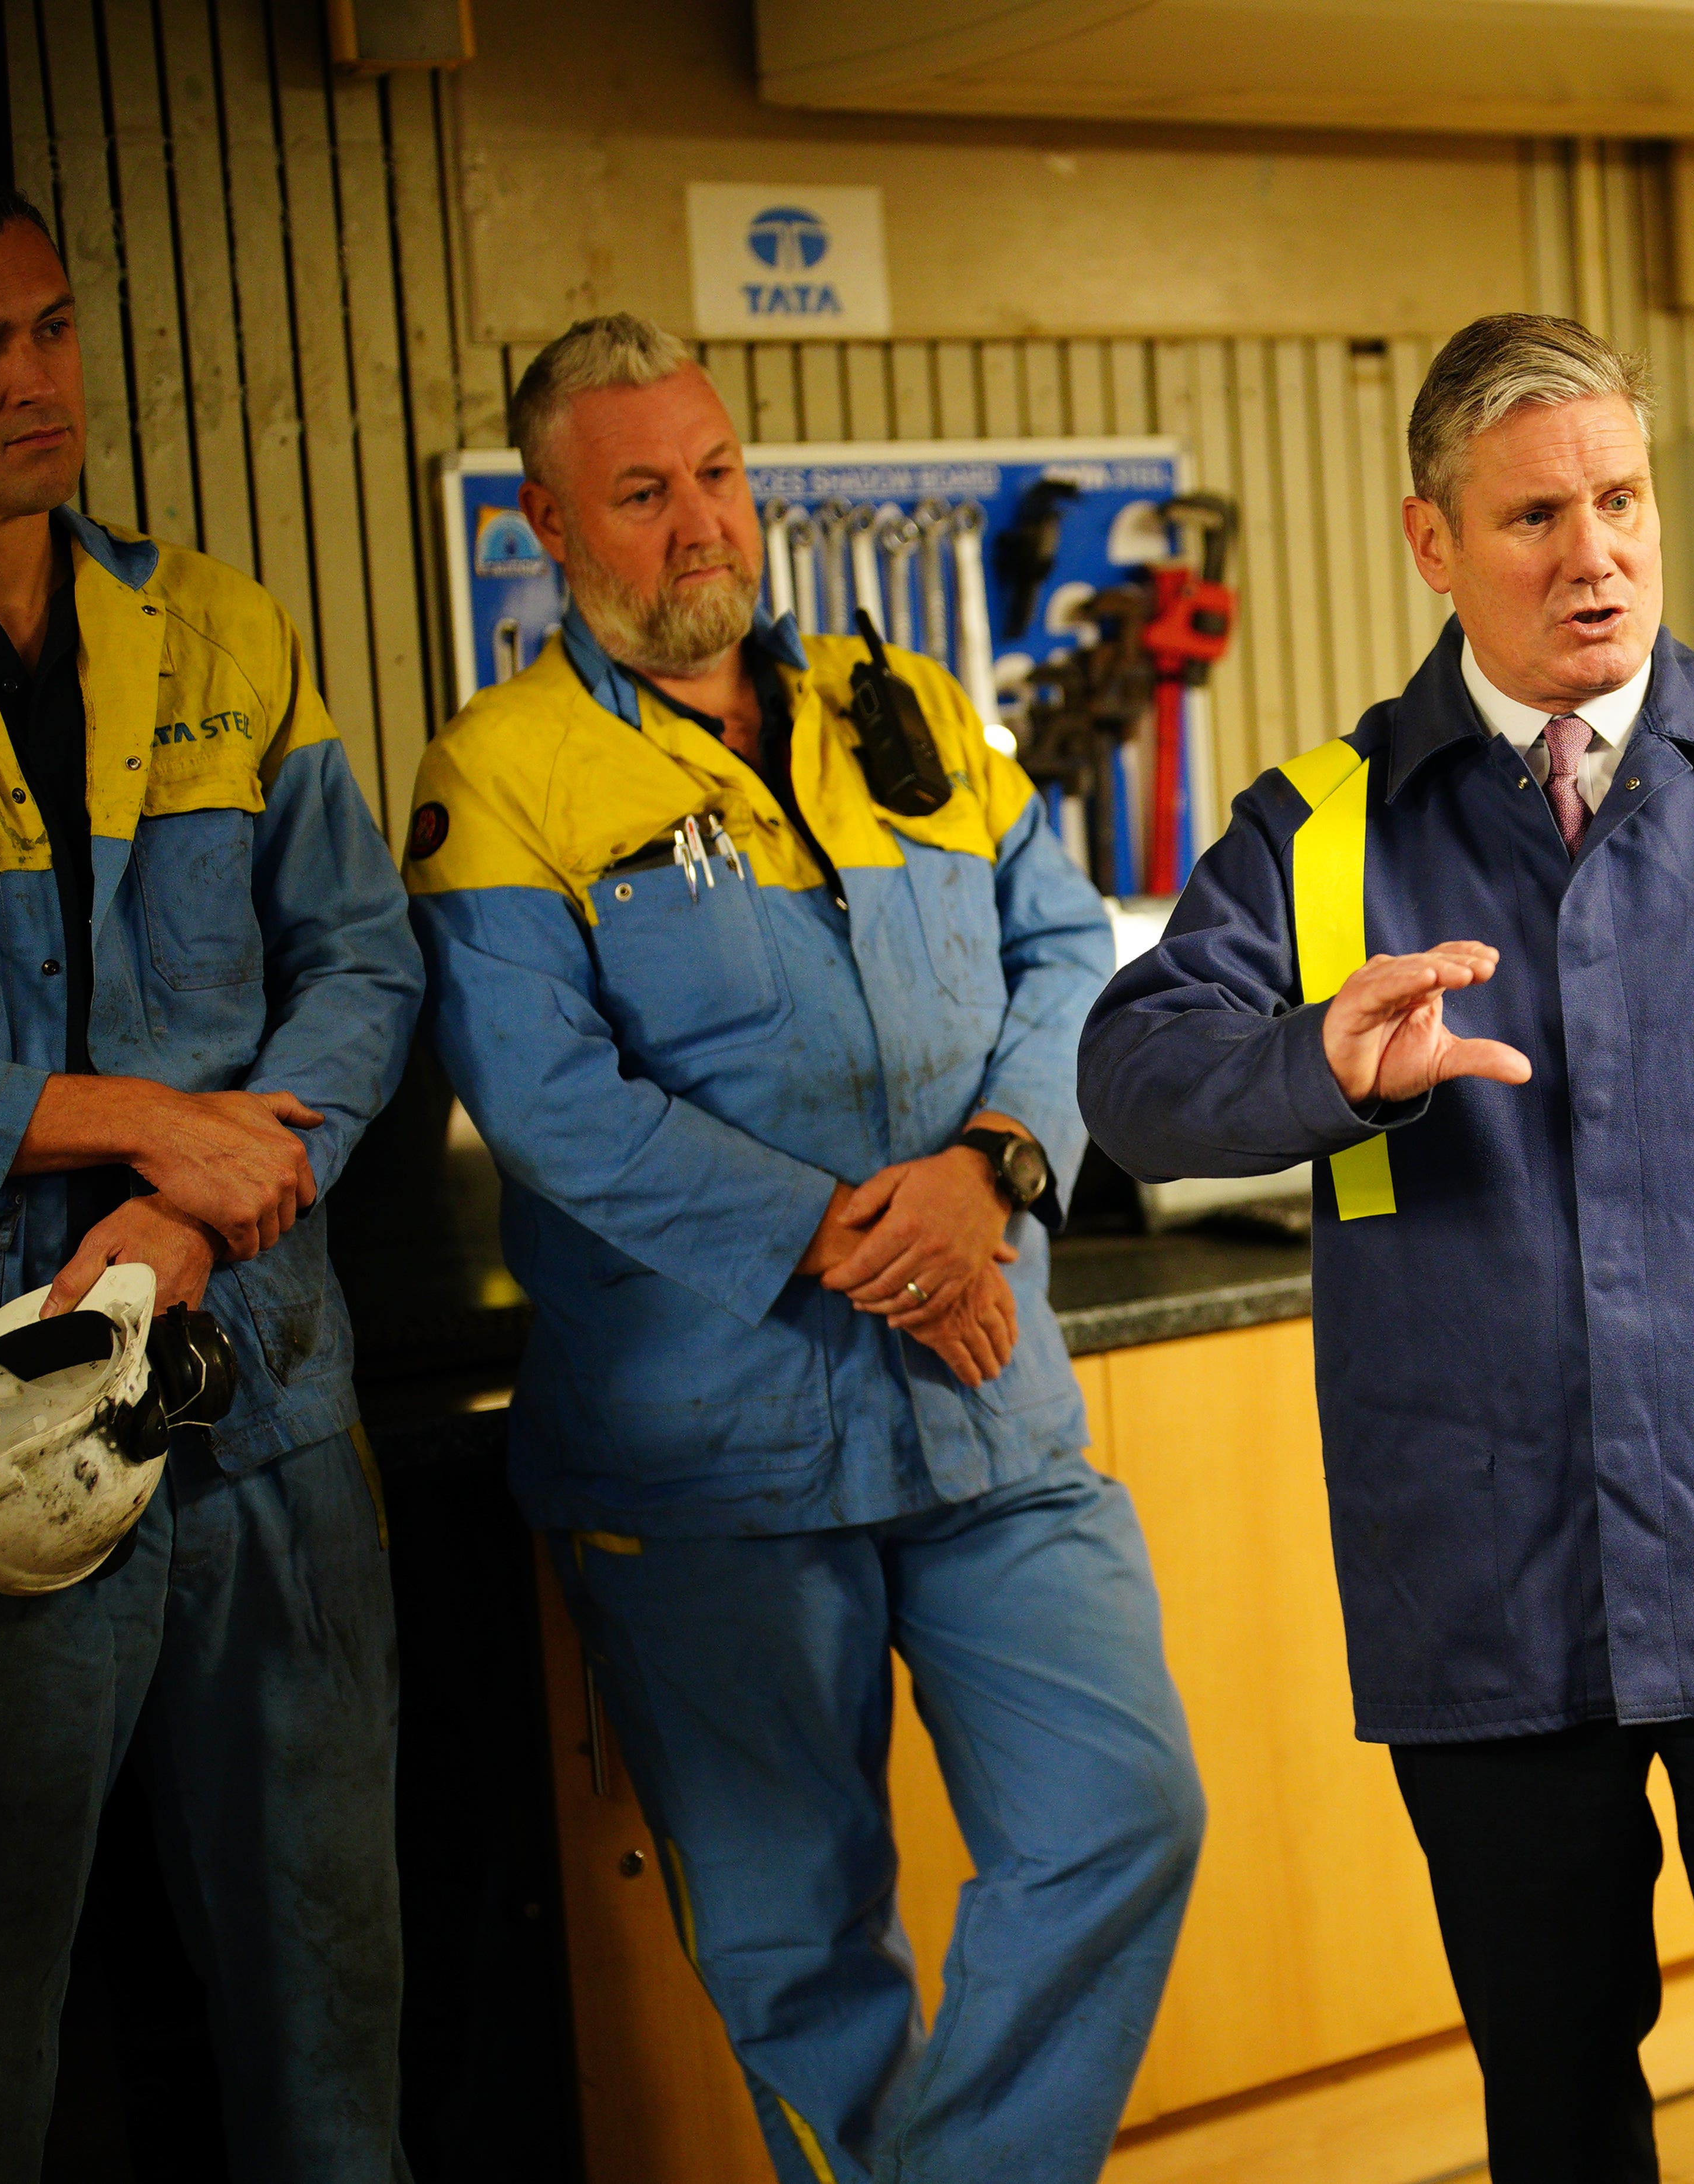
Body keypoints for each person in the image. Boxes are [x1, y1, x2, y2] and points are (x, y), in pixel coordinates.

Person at [1080, 312, 1694, 2184]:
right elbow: (1132, 1085)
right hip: (1486, 1574)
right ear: (1429, 542)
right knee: (1552, 2093)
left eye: (1619, 499)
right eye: (1535, 515)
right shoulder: (1320, 826)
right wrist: (1319, 1065)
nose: (1592, 552)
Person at [404, 314, 1201, 2184]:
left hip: (988, 1412)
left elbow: (1068, 950)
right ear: (548, 525)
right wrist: (863, 1236)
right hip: (712, 1461)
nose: (701, 528)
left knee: (1121, 1814)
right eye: (643, 492)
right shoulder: (502, 774)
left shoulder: (892, 701)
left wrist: (990, 1170)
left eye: (719, 474)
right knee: (799, 1948)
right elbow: (548, 1099)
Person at [0, 177, 424, 2176]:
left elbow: (363, 956)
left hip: (259, 1391)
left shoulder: (221, 626)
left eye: (54, 330)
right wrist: (132, 1123)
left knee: (336, 2025)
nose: (36, 379)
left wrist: (194, 1199)